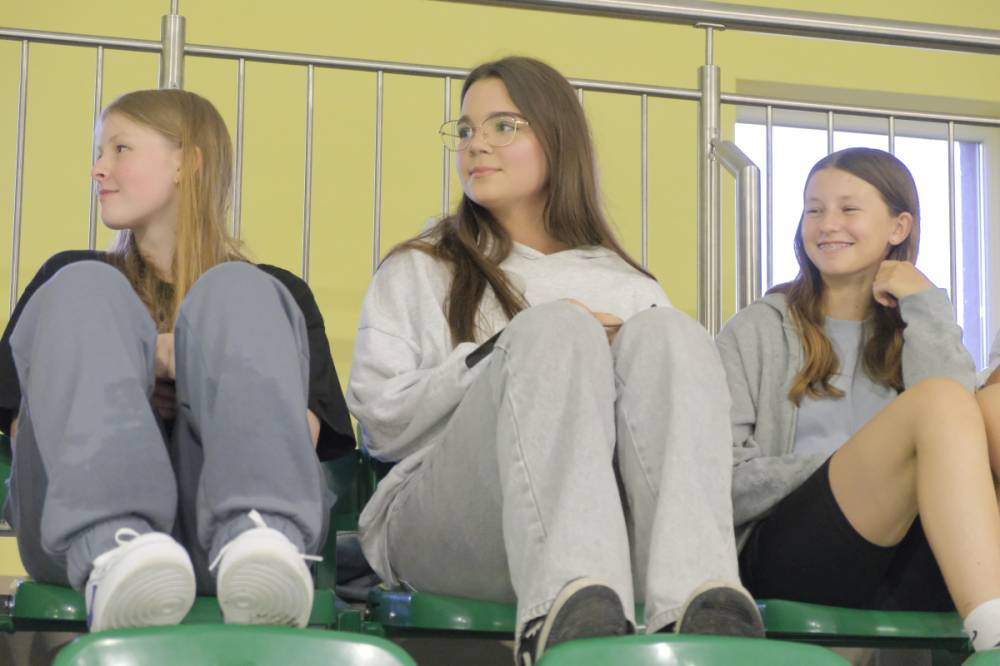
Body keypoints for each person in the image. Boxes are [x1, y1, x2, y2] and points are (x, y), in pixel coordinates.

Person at [346, 56, 761, 665]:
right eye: (466, 130)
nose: (476, 145)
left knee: (672, 333)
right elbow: (382, 425)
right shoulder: (421, 265)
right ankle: (568, 613)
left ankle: (697, 609)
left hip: (614, 533)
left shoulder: (630, 285)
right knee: (557, 327)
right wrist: (508, 351)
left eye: (502, 127)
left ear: (556, 138)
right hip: (443, 525)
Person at [0, 89, 355, 631]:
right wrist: (139, 376)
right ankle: (117, 546)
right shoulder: (71, 282)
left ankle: (259, 537)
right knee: (83, 283)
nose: (99, 168)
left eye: (120, 148)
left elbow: (299, 436)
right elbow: (26, 430)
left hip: (219, 540)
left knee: (239, 288)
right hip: (76, 540)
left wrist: (185, 368)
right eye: (99, 152)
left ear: (187, 163)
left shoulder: (271, 293)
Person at [718, 146, 1000, 652]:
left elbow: (960, 426)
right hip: (790, 553)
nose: (828, 224)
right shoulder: (757, 329)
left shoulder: (917, 327)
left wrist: (924, 301)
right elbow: (724, 480)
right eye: (814, 209)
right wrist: (853, 465)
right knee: (938, 402)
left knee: (989, 407)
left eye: (848, 209)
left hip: (908, 554)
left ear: (899, 227)